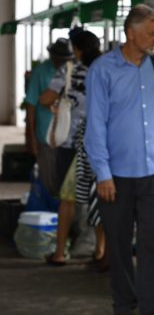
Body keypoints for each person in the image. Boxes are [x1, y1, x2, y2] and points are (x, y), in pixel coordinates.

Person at [84, 4, 154, 315]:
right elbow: (95, 124)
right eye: (151, 33)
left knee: (152, 245)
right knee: (118, 247)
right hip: (115, 176)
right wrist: (102, 173)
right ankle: (125, 304)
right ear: (131, 33)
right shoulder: (102, 70)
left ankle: (153, 309)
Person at [42, 30, 103, 267]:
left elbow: (45, 99)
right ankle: (100, 251)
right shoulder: (106, 70)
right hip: (100, 143)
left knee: (67, 200)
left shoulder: (68, 70)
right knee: (100, 196)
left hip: (71, 141)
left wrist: (60, 100)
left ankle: (59, 253)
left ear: (76, 50)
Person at [24, 38, 72, 195]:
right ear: (52, 56)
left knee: (66, 183)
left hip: (68, 137)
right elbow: (31, 105)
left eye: (65, 59)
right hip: (46, 135)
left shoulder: (72, 71)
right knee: (49, 181)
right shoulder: (41, 72)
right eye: (59, 58)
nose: (62, 61)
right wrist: (30, 137)